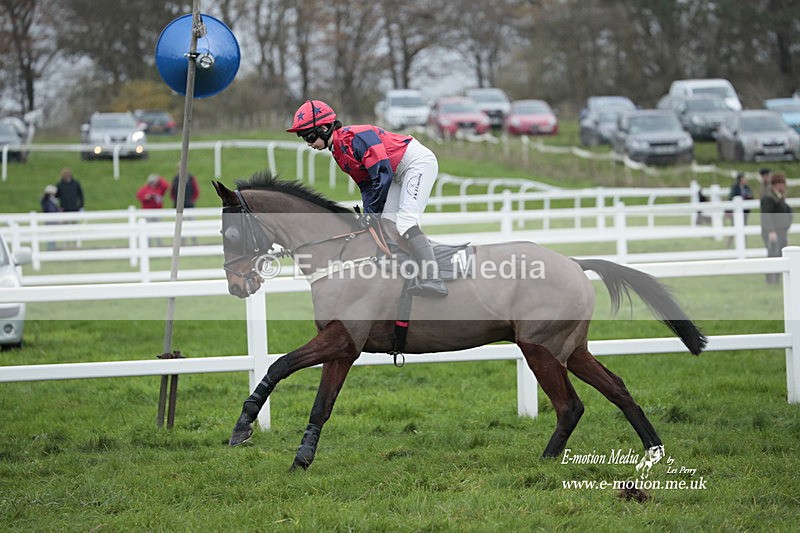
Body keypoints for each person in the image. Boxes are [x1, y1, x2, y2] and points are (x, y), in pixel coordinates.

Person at [287, 99, 447, 297]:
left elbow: (382, 174)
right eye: (304, 139)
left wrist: (373, 212)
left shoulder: (356, 137)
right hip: (396, 171)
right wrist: (369, 213)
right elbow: (367, 186)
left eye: (310, 137)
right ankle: (405, 273)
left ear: (326, 127)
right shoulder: (338, 152)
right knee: (388, 224)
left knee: (406, 222)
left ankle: (434, 278)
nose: (309, 144)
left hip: (416, 163)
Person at [760, 172, 793, 284]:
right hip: (773, 232)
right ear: (774, 185)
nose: (781, 186)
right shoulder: (769, 198)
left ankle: (777, 280)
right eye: (779, 184)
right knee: (773, 255)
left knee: (780, 255)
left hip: (781, 231)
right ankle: (770, 280)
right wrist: (771, 231)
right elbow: (766, 216)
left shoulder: (779, 198)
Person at [40, 184, 60, 251]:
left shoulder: (48, 200)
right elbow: (51, 209)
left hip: (50, 219)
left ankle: (51, 248)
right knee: (51, 235)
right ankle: (50, 249)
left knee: (52, 235)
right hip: (50, 219)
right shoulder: (48, 201)